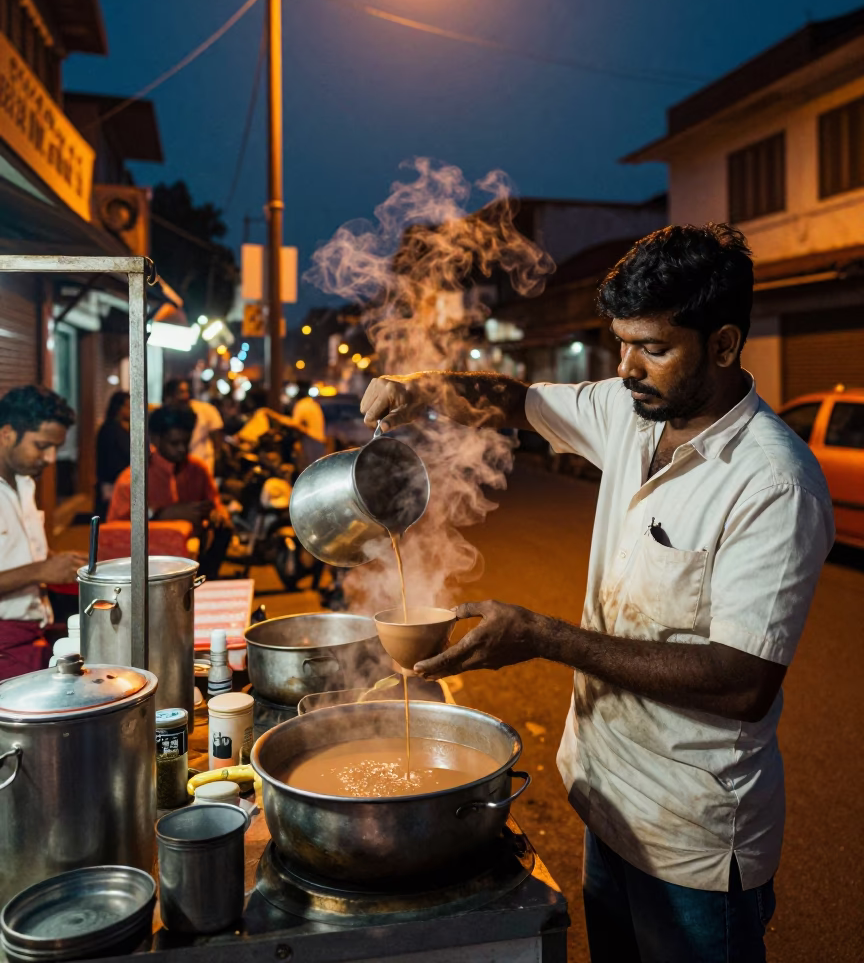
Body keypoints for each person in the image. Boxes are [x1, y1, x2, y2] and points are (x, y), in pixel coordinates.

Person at [360, 224, 834, 963]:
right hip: (605, 799)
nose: (627, 367)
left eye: (653, 347)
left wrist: (542, 637)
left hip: (693, 841)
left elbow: (742, 683)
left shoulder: (774, 482)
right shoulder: (628, 409)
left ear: (724, 344)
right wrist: (420, 389)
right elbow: (514, 400)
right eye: (621, 343)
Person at [0, 386, 86, 679]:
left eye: (56, 448)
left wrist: (61, 563)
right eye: (41, 446)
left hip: (36, 630)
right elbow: (34, 568)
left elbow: (17, 553)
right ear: (7, 433)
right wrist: (42, 569)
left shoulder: (25, 482)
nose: (50, 458)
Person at [107, 406, 232, 581]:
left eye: (185, 442)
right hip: (151, 565)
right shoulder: (134, 478)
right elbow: (115, 531)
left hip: (196, 556)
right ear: (156, 440)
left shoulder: (197, 469)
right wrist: (161, 515)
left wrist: (216, 513)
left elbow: (215, 502)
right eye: (174, 443)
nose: (181, 449)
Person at [163, 378, 224, 476]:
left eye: (186, 391)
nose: (185, 396)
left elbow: (217, 438)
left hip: (202, 463)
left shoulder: (205, 410)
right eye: (180, 392)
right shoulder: (164, 415)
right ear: (170, 395)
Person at [95, 391, 130, 519]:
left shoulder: (123, 428)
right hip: (111, 484)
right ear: (119, 408)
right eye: (128, 406)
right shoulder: (111, 429)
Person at [291, 381, 326, 469]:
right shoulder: (313, 404)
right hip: (320, 440)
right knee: (317, 469)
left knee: (308, 470)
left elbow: (295, 424)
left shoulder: (301, 405)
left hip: (310, 440)